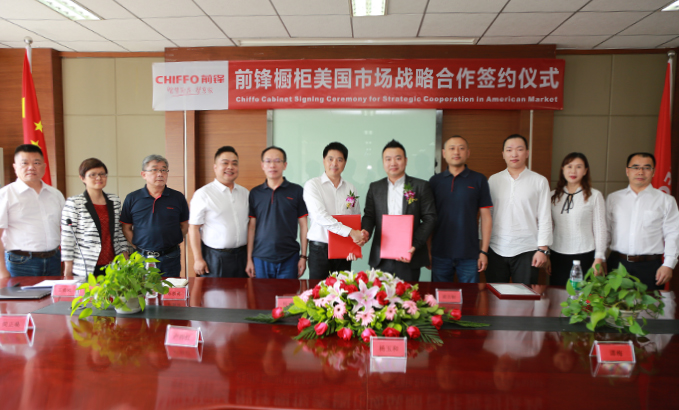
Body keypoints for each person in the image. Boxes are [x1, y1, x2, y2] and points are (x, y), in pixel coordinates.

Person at [361, 139, 436, 282]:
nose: (393, 163)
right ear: (383, 162)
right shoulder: (375, 187)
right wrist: (366, 231)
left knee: (407, 295)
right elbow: (369, 216)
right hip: (380, 257)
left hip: (409, 255)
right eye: (388, 159)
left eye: (398, 158)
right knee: (378, 295)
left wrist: (415, 244)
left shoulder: (420, 186)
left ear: (406, 161)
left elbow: (430, 218)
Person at [607, 152, 679, 290]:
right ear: (627, 171)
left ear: (653, 172)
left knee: (650, 304)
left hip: (650, 267)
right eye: (635, 167)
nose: (640, 172)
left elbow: (673, 233)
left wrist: (668, 264)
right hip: (617, 265)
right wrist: (599, 258)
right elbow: (605, 231)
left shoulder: (666, 200)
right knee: (614, 303)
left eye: (646, 168)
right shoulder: (613, 198)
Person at [486, 134, 552, 285]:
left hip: (527, 249)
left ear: (527, 153)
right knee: (494, 295)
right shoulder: (493, 180)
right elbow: (487, 216)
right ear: (503, 154)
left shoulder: (539, 181)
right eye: (509, 150)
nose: (514, 154)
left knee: (525, 296)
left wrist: (543, 249)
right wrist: (482, 247)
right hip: (495, 248)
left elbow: (545, 217)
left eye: (519, 149)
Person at [429, 135, 492, 283]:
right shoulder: (435, 181)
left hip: (470, 253)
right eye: (452, 148)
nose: (456, 152)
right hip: (440, 253)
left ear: (468, 153)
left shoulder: (479, 179)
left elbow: (486, 217)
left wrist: (484, 251)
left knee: (470, 295)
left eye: (461, 148)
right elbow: (429, 219)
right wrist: (428, 251)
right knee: (439, 295)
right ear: (444, 153)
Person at [0, 144, 65, 278]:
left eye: (36, 163)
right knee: (19, 293)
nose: (31, 167)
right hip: (20, 263)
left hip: (54, 260)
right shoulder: (5, 194)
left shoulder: (55, 194)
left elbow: (64, 229)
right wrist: (2, 271)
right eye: (24, 163)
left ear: (44, 166)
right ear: (15, 167)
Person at [121, 154, 189, 278]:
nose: (160, 174)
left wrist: (172, 241)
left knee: (170, 288)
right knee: (142, 289)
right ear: (143, 174)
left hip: (170, 256)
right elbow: (126, 228)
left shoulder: (177, 197)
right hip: (141, 257)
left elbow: (184, 225)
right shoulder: (132, 198)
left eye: (163, 170)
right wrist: (138, 246)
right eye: (154, 170)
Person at [303, 142, 364, 280]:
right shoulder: (313, 185)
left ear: (345, 163)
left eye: (339, 160)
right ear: (324, 160)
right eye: (330, 159)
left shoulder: (351, 188)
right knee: (318, 291)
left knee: (344, 290)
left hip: (344, 250)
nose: (334, 163)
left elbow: (354, 217)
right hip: (320, 250)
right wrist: (351, 233)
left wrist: (354, 246)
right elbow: (320, 216)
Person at [246, 146, 308, 279]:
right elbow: (251, 227)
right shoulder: (255, 193)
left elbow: (304, 225)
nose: (272, 165)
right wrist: (249, 259)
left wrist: (303, 256)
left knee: (288, 293)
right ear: (262, 165)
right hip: (260, 258)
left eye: (277, 161)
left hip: (289, 257)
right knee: (262, 293)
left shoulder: (297, 191)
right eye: (268, 161)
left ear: (284, 165)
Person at [61, 158, 128, 278]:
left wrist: (126, 259)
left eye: (102, 174)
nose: (99, 178)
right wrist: (68, 269)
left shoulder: (114, 200)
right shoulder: (74, 202)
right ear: (82, 178)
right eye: (93, 175)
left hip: (113, 265)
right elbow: (68, 237)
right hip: (86, 267)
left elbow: (119, 232)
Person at [189, 146, 249, 278]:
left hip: (242, 256)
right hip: (215, 258)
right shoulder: (203, 194)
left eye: (234, 163)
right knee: (215, 292)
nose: (230, 167)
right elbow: (193, 228)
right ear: (215, 167)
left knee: (242, 291)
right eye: (225, 163)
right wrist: (198, 259)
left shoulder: (245, 193)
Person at [548, 153, 606, 286]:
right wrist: (547, 254)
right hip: (557, 254)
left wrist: (599, 258)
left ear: (585, 171)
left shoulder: (594, 195)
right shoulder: (552, 196)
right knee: (558, 294)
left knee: (583, 295)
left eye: (579, 167)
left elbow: (600, 229)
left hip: (585, 254)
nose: (573, 171)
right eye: (569, 166)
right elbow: (549, 227)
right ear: (563, 169)